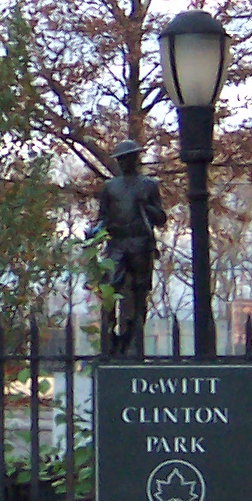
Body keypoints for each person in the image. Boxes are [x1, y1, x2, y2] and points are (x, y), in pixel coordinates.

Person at [87, 140, 167, 358]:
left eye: (128, 158)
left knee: (140, 292)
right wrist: (95, 231)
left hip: (141, 243)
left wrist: (146, 206)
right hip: (117, 244)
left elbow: (161, 218)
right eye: (121, 159)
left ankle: (132, 339)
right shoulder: (110, 187)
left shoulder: (149, 185)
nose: (124, 163)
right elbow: (103, 217)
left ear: (135, 159)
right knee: (109, 287)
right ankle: (110, 339)